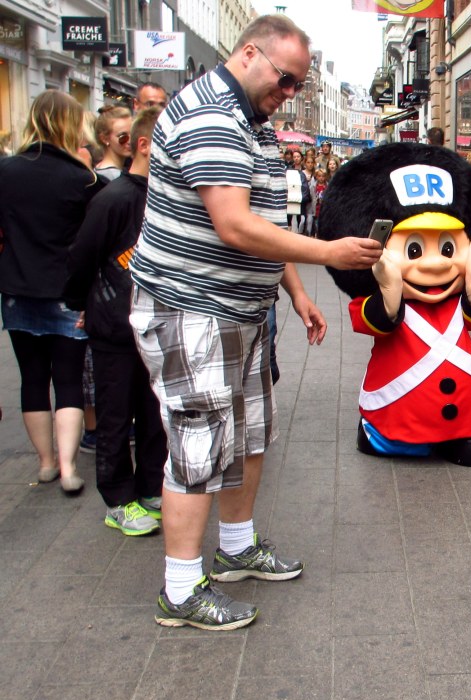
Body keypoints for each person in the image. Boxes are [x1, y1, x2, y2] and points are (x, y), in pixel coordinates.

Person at [129, 13, 385, 630]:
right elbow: (235, 225)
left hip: (240, 310)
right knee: (197, 443)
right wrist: (327, 255)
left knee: (248, 436)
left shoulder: (254, 119)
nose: (290, 92)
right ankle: (181, 589)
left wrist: (293, 290)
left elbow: (264, 227)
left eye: (298, 83)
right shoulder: (212, 115)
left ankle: (237, 549)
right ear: (249, 54)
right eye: (286, 79)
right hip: (190, 308)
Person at [65, 106, 167, 536]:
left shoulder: (166, 196)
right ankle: (118, 499)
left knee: (152, 412)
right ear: (144, 145)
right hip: (115, 325)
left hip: (155, 324)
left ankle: (149, 487)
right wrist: (84, 304)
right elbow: (82, 257)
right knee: (114, 414)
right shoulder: (112, 198)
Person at [0, 90, 102, 495]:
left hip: (16, 287)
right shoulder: (82, 180)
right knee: (69, 379)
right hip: (66, 291)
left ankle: (44, 463)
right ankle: (68, 466)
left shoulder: (6, 172)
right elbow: (90, 243)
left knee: (32, 378)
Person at [93, 105, 132, 181]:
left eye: (133, 134)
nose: (130, 141)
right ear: (104, 139)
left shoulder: (100, 169)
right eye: (123, 136)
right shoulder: (114, 176)